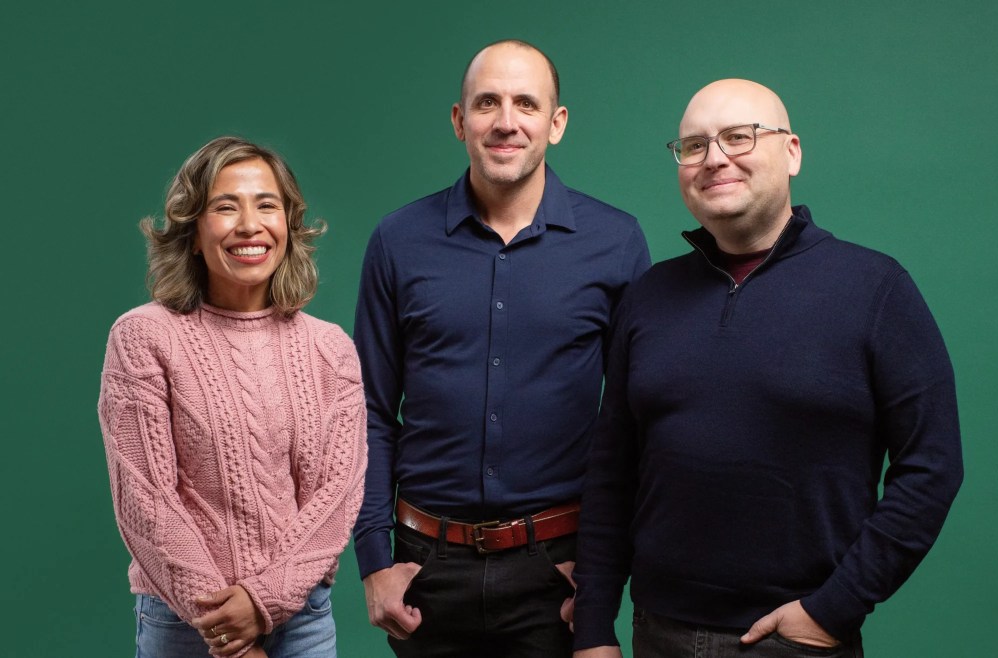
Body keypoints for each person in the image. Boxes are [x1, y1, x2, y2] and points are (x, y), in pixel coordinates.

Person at [571, 79, 964, 657]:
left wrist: (833, 608)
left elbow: (933, 466)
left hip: (798, 641)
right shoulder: (649, 297)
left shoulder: (876, 289)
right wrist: (593, 628)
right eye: (694, 145)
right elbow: (612, 472)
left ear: (793, 151)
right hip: (655, 633)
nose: (715, 159)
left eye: (738, 136)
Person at [353, 39, 651, 657]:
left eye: (525, 104)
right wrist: (373, 559)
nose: (506, 121)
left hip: (558, 572)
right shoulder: (398, 240)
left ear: (556, 123)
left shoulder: (616, 242)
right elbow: (370, 413)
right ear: (460, 120)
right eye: (487, 103)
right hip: (422, 574)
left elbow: (632, 423)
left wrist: (600, 576)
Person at [98, 136, 367, 658]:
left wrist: (264, 599)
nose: (250, 224)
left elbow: (338, 496)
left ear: (289, 225)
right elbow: (146, 499)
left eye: (267, 205)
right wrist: (226, 631)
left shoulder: (331, 348)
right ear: (194, 232)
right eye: (226, 206)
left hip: (304, 620)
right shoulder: (143, 337)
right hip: (186, 622)